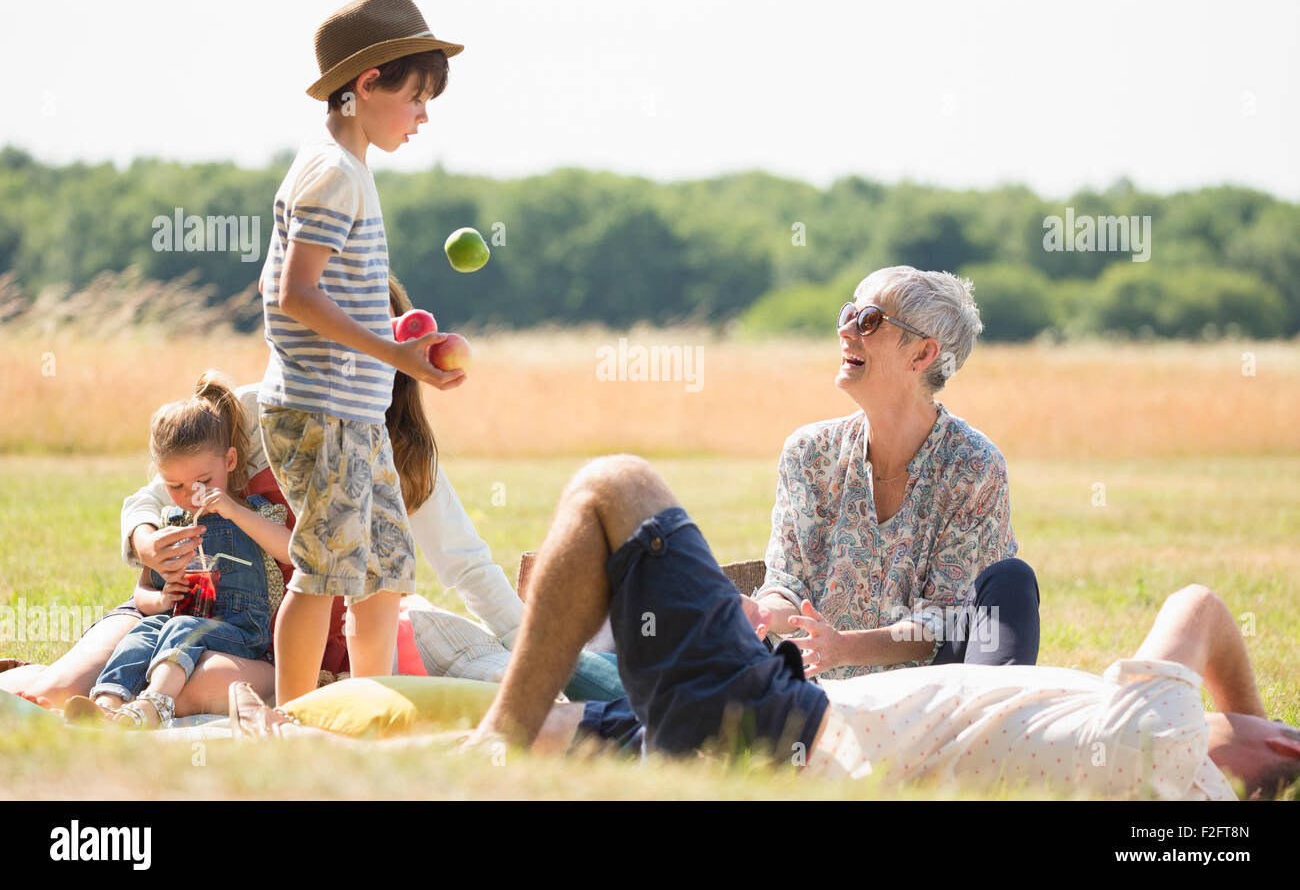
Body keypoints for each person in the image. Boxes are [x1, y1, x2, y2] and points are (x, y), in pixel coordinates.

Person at [456, 455, 1300, 800]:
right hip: (781, 739)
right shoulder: (1168, 810)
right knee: (584, 731)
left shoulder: (1165, 729)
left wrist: (1244, 717)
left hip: (781, 726)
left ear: (1281, 749)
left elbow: (1201, 606)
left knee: (614, 487)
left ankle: (496, 734)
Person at [1, 274, 622, 712]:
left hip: (277, 644)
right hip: (187, 613)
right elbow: (149, 495)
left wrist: (536, 653)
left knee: (190, 689)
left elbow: (466, 565)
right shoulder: (253, 414)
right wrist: (145, 542)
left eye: (363, 352)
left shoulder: (393, 449)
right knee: (56, 689)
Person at [258, 0, 469, 706]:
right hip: (319, 412)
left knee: (382, 575)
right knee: (322, 573)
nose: (423, 115)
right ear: (367, 83)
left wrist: (414, 341)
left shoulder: (351, 169)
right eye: (414, 96)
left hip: (354, 411)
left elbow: (346, 289)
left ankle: (367, 710)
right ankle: (293, 723)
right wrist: (398, 356)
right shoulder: (331, 173)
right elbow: (296, 294)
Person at [755, 266, 1039, 678]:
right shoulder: (808, 453)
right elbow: (788, 585)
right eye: (848, 313)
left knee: (1012, 582)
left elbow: (944, 623)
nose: (846, 331)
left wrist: (843, 647)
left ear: (922, 355)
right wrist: (759, 612)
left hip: (923, 704)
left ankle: (986, 728)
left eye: (869, 320)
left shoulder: (974, 466)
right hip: (812, 694)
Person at [64, 373, 290, 727]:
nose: (190, 494)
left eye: (202, 482)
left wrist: (234, 511)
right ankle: (107, 704)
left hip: (242, 630)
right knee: (143, 631)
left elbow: (292, 551)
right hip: (179, 621)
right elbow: (144, 591)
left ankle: (156, 703)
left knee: (185, 626)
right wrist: (162, 599)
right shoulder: (172, 521)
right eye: (175, 485)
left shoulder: (256, 510)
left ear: (230, 462)